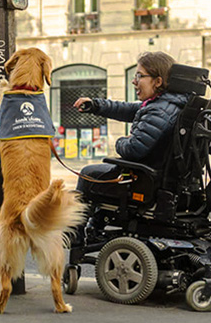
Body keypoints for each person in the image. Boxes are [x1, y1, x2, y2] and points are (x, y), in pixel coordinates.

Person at [72, 51, 190, 243]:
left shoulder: (159, 110)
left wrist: (120, 141)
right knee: (103, 175)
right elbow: (127, 109)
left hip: (146, 181)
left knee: (88, 174)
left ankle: (76, 237)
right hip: (153, 176)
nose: (135, 81)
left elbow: (134, 148)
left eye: (139, 76)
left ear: (158, 81)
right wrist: (95, 105)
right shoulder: (166, 104)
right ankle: (95, 227)